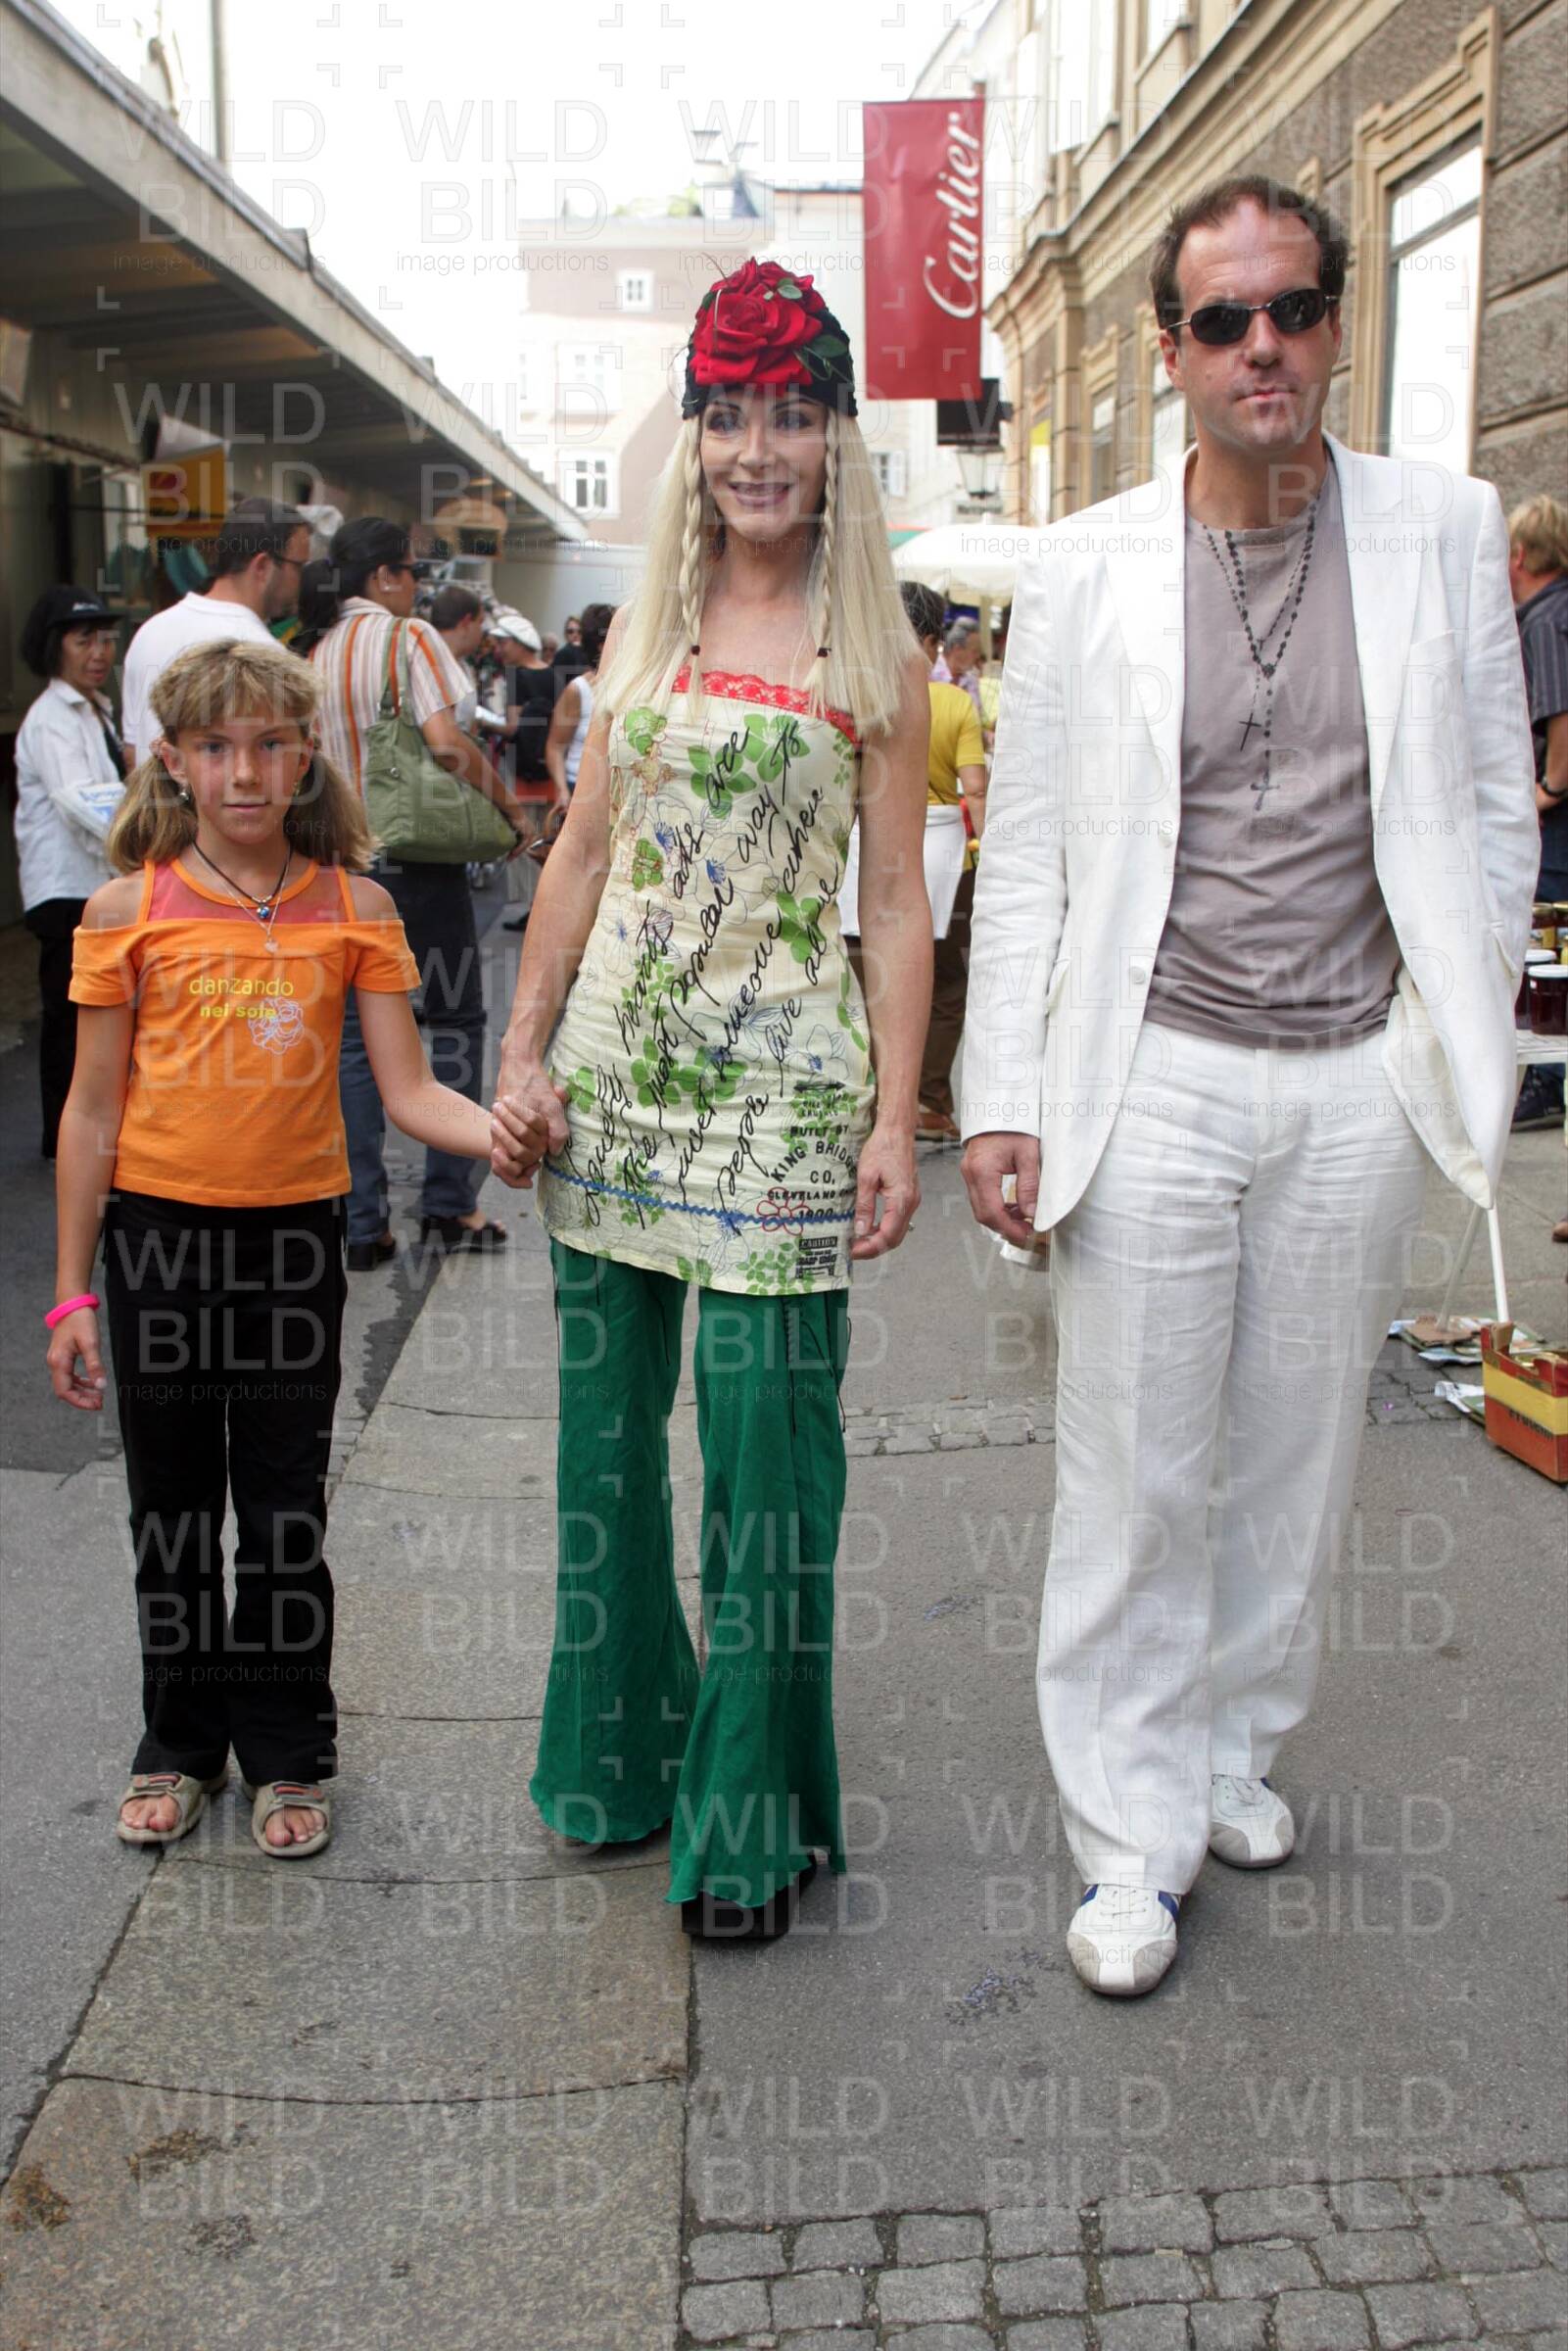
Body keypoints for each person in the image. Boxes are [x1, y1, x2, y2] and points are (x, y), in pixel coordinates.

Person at [962, 176, 1537, 1997]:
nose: (1260, 346)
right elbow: (1029, 851)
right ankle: (1128, 1839)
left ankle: (1228, 1751)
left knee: (1296, 1465)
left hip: (1354, 1070)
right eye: (1223, 320)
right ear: (1171, 351)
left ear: (1336, 323)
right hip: (1156, 1072)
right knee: (1135, 1476)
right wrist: (999, 1089)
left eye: (1291, 308)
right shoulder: (1084, 565)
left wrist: (1459, 1008)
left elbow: (1494, 799)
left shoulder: (1443, 531)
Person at [498, 255, 931, 1943]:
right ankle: (621, 1765)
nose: (759, 450)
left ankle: (748, 1822)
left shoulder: (873, 649)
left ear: (835, 438)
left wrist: (894, 1119)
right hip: (612, 1092)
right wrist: (521, 1052)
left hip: (783, 1111)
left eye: (792, 415)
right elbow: (580, 856)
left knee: (768, 1474)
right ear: (695, 435)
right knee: (604, 1463)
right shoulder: (646, 630)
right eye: (730, 415)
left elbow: (892, 903)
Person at [45, 638, 543, 1859]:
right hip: (158, 1243)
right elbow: (92, 1112)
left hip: (291, 1245)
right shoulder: (127, 911)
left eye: (270, 745)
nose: (244, 773)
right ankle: (178, 1742)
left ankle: (286, 1750)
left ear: (305, 755)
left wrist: (504, 1131)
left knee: (280, 1513)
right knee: (171, 1511)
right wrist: (69, 1294)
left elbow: (410, 1090)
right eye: (215, 748)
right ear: (171, 760)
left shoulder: (352, 906)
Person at [303, 517, 529, 1270]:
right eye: (410, 573)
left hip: (337, 868)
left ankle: (362, 1223)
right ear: (384, 577)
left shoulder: (313, 648)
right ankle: (449, 1202)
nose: (415, 588)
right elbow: (445, 743)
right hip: (415, 867)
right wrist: (510, 810)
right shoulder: (408, 638)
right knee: (456, 1020)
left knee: (354, 1043)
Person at [14, 588, 127, 1156]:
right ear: (54, 647)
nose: (99, 653)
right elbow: (84, 803)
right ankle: (64, 1140)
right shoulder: (53, 718)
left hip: (94, 884)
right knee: (68, 1014)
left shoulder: (95, 709)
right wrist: (140, 844)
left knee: (92, 1010)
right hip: (66, 889)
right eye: (84, 641)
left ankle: (82, 1132)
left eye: (105, 640)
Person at [121, 500, 308, 764]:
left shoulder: (150, 633)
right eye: (298, 567)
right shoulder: (265, 655)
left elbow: (132, 752)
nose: (302, 580)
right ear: (263, 566)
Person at [904, 582, 987, 1141]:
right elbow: (974, 789)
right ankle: (930, 1101)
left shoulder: (856, 694)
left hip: (866, 857)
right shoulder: (955, 703)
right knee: (946, 984)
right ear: (934, 642)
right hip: (945, 859)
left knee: (873, 979)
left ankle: (881, 1098)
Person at [1507, 493, 1568, 1130]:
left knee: (1550, 939)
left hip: (1561, 819)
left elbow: (1561, 711)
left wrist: (1547, 788)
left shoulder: (1547, 619)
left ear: (1520, 555)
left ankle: (1547, 1082)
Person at [487, 608, 561, 933]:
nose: (499, 650)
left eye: (503, 643)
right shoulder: (554, 675)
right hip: (551, 770)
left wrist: (482, 720)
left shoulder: (517, 677)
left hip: (523, 771)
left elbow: (512, 727)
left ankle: (534, 909)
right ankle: (550, 907)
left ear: (519, 643)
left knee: (528, 838)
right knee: (549, 838)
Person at [544, 601, 611, 801]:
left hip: (617, 792)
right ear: (601, 645)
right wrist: (562, 791)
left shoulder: (636, 687)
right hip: (580, 790)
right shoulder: (578, 690)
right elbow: (555, 746)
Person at [428, 582, 487, 733]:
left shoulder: (464, 667)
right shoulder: (426, 664)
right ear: (466, 622)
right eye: (480, 622)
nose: (482, 631)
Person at [932, 617, 984, 721]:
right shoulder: (931, 673)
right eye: (975, 651)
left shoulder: (971, 679)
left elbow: (978, 717)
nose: (978, 656)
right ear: (957, 649)